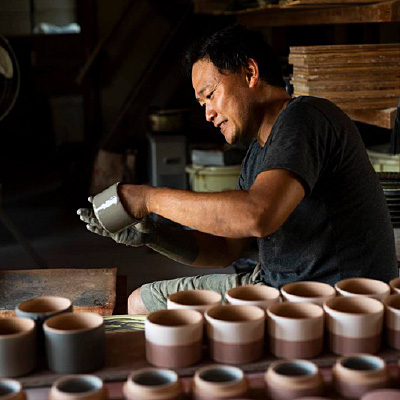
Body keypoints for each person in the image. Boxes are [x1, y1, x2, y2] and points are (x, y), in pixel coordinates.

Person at [77, 24, 398, 314]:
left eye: (210, 95)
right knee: (141, 302)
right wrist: (155, 235)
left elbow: (257, 215)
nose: (208, 114)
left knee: (152, 312)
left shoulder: (306, 117)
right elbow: (225, 249)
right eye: (202, 104)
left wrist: (147, 198)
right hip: (276, 285)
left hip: (335, 297)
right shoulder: (258, 154)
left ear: (250, 72)